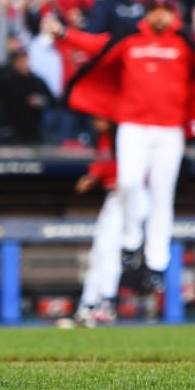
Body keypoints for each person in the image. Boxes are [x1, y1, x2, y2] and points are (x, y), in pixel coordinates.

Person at [48, 0, 195, 291]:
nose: (160, 16)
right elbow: (97, 45)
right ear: (147, 13)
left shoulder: (185, 42)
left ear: (174, 15)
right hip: (133, 126)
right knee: (128, 182)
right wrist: (64, 33)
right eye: (155, 10)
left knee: (162, 194)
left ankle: (156, 262)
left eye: (165, 11)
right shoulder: (130, 40)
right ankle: (130, 241)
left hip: (169, 129)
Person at [72, 122, 141, 327]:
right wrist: (93, 176)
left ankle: (105, 303)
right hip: (114, 197)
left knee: (108, 250)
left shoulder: (126, 133)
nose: (95, 119)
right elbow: (103, 162)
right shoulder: (104, 138)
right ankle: (90, 304)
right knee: (99, 252)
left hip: (132, 197)